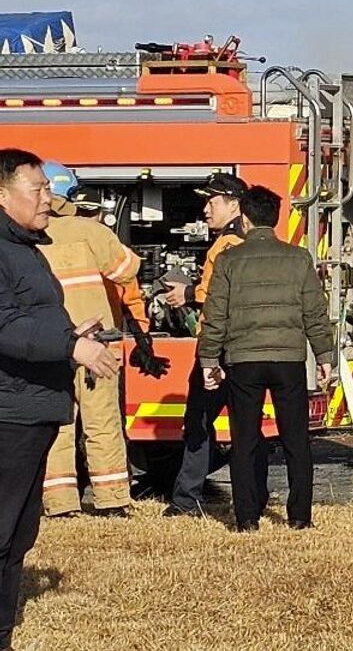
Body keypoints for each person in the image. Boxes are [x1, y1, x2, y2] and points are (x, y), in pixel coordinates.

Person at [0, 148, 120, 651]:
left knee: (17, 539)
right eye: (39, 188)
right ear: (3, 194)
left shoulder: (26, 247)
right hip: (9, 413)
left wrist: (73, 332)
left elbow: (29, 319)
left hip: (33, 407)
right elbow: (4, 327)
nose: (50, 197)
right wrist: (72, 346)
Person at [197, 185, 335, 531]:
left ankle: (246, 519)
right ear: (274, 220)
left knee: (244, 439)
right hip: (288, 359)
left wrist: (209, 361)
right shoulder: (299, 258)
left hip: (243, 360)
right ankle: (300, 516)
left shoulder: (228, 260)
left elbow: (216, 316)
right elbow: (315, 313)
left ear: (243, 218)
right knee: (296, 440)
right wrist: (324, 355)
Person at [37, 172, 167, 519]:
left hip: (54, 346)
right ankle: (112, 500)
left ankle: (61, 504)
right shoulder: (89, 231)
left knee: (59, 426)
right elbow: (129, 268)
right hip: (99, 345)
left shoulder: (26, 238)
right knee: (103, 423)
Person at [163, 171, 249, 518]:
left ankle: (185, 501)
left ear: (233, 204)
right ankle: (250, 495)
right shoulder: (246, 239)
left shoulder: (226, 245)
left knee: (198, 422)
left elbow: (216, 294)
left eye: (212, 202)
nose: (205, 209)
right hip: (243, 347)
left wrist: (186, 292)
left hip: (217, 346)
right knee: (245, 425)